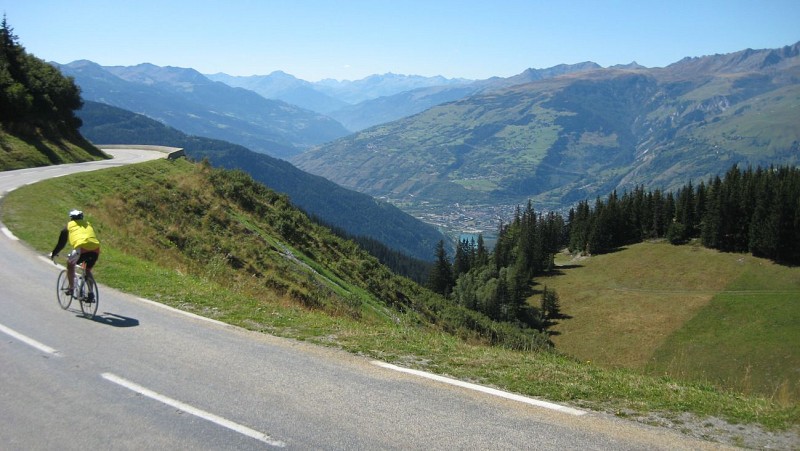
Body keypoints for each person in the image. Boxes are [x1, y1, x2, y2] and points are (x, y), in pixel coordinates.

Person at [50, 209, 101, 301]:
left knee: (70, 264)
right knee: (87, 270)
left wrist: (54, 253)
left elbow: (61, 244)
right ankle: (91, 294)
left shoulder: (68, 226)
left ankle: (71, 288)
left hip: (81, 248)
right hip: (95, 249)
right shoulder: (88, 224)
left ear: (71, 218)